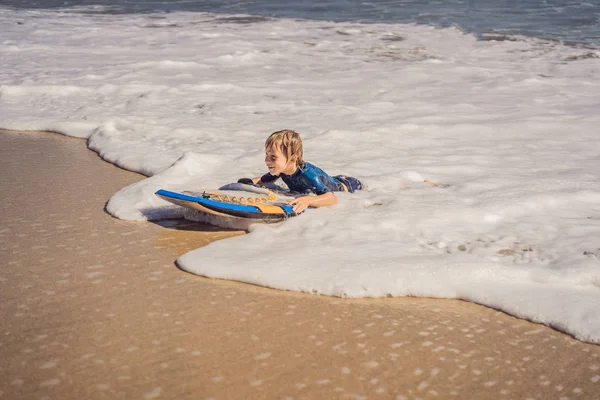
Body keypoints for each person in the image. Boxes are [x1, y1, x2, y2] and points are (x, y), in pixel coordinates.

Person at [238, 129, 362, 214]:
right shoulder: (282, 170)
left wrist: (308, 200)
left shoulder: (307, 175)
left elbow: (332, 198)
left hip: (349, 186)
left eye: (273, 157)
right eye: (266, 155)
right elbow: (262, 180)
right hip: (329, 181)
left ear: (292, 159)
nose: (266, 160)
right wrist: (246, 184)